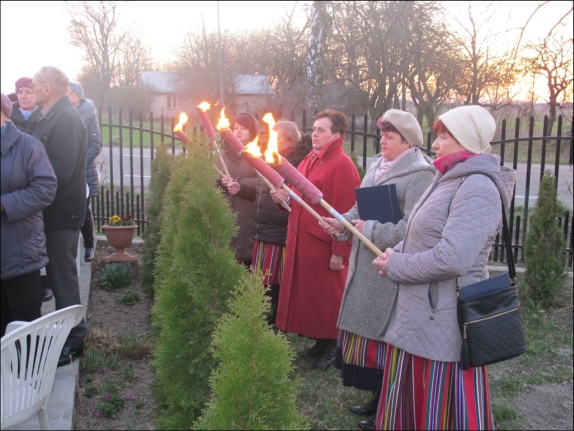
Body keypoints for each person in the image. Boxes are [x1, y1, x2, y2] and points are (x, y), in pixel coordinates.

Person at [372, 105, 517, 430]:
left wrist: (398, 265)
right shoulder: (448, 176)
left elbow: (453, 257)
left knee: (439, 414)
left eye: (443, 136)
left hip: (444, 319)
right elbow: (422, 233)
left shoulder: (477, 186)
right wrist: (398, 250)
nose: (435, 145)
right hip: (422, 314)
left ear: (466, 139)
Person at [320, 110, 435, 430]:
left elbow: (414, 229)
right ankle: (376, 398)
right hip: (366, 268)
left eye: (389, 136)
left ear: (408, 141)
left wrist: (365, 229)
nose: (382, 140)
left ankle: (388, 405)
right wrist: (341, 224)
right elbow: (360, 209)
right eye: (382, 134)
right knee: (372, 343)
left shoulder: (421, 175)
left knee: (388, 341)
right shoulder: (376, 167)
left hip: (392, 269)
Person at [270, 109, 361, 370]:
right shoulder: (311, 158)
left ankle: (333, 347)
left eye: (322, 129)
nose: (315, 133)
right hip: (304, 242)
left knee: (328, 299)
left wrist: (339, 252)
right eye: (314, 128)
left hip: (324, 245)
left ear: (337, 135)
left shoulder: (342, 165)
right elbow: (299, 196)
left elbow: (345, 211)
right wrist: (284, 199)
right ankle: (321, 343)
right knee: (314, 300)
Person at [224, 121, 313, 324]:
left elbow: (295, 197)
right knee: (264, 276)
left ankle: (278, 317)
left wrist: (285, 198)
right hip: (264, 225)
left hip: (279, 227)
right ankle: (266, 313)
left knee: (277, 277)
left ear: (288, 140)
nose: (271, 140)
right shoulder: (271, 160)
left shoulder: (294, 163)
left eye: (276, 136)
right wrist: (241, 189)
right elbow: (262, 192)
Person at [31, 66, 89, 367]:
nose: (30, 88)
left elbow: (59, 172)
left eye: (34, 84)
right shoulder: (54, 116)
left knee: (62, 275)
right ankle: (69, 330)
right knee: (57, 274)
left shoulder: (65, 119)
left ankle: (74, 338)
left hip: (61, 211)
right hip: (55, 210)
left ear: (47, 88)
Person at [1, 93, 57, 336]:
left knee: (23, 328)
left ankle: (27, 374)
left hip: (20, 252)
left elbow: (45, 189)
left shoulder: (28, 146)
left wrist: (4, 205)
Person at [219, 113, 260, 267]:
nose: (238, 131)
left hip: (247, 213)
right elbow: (212, 177)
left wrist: (239, 184)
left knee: (244, 259)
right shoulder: (223, 154)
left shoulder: (257, 153)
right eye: (236, 127)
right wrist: (220, 181)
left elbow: (264, 182)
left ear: (252, 132)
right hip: (226, 210)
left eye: (243, 128)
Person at [68, 82, 102, 262]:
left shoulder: (88, 115)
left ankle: (89, 245)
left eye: (71, 92)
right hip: (63, 170)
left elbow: (95, 145)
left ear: (78, 95)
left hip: (82, 169)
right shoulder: (60, 113)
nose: (67, 94)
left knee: (83, 208)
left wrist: (79, 163)